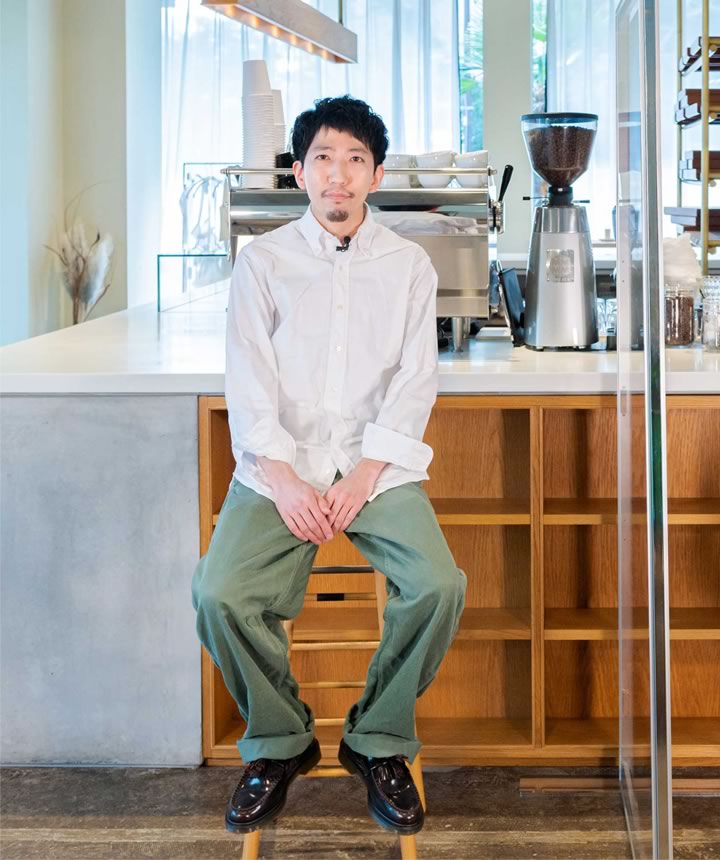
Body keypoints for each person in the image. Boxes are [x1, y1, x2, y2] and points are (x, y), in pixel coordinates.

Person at [191, 95, 466, 836]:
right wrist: (283, 479)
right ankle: (280, 740)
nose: (337, 175)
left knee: (439, 586)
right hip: (279, 465)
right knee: (219, 593)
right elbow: (248, 381)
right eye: (322, 158)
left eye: (354, 160)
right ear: (299, 172)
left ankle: (377, 738)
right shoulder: (263, 263)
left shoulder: (409, 266)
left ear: (376, 174)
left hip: (376, 467)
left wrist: (366, 474)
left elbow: (415, 381)